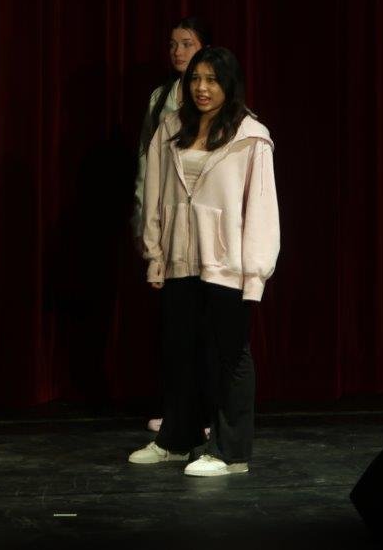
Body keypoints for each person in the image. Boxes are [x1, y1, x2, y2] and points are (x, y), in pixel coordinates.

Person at [128, 46, 279, 477]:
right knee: (179, 351)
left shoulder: (251, 135)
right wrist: (155, 255)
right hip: (180, 259)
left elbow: (262, 210)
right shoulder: (171, 127)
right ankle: (178, 439)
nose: (202, 88)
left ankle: (231, 453)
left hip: (227, 262)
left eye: (212, 80)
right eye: (196, 79)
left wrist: (255, 274)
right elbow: (155, 196)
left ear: (228, 85)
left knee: (230, 354)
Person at [135, 17, 212, 433]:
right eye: (173, 44)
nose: (178, 51)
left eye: (187, 43)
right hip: (168, 221)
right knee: (175, 329)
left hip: (206, 225)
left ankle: (205, 412)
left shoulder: (217, 97)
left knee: (206, 329)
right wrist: (145, 224)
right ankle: (178, 411)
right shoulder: (160, 98)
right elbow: (148, 165)